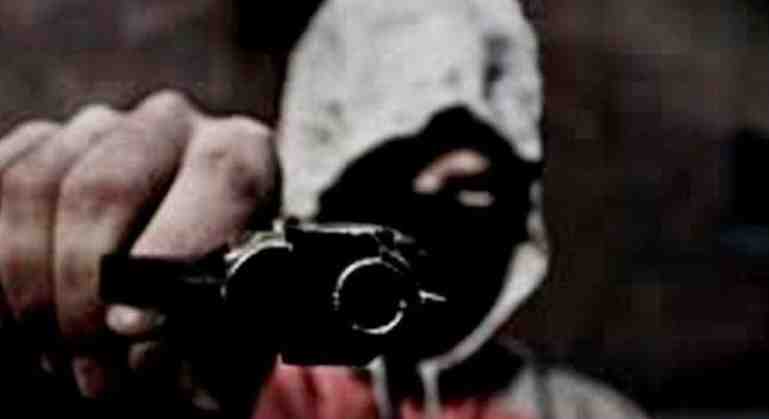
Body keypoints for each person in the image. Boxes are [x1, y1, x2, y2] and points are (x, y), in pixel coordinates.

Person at [0, 0, 648, 418]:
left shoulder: (582, 414)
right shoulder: (215, 385)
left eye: (470, 190)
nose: (426, 228)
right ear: (316, 190)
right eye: (388, 179)